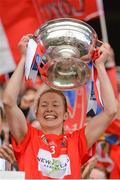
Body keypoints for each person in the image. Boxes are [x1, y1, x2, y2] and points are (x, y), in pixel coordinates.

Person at [3, 34, 117, 179]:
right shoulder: (27, 138)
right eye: (44, 105)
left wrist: (100, 66)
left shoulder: (77, 141)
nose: (49, 108)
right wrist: (25, 58)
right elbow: (9, 102)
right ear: (37, 114)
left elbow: (110, 111)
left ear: (65, 114)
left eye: (55, 104)